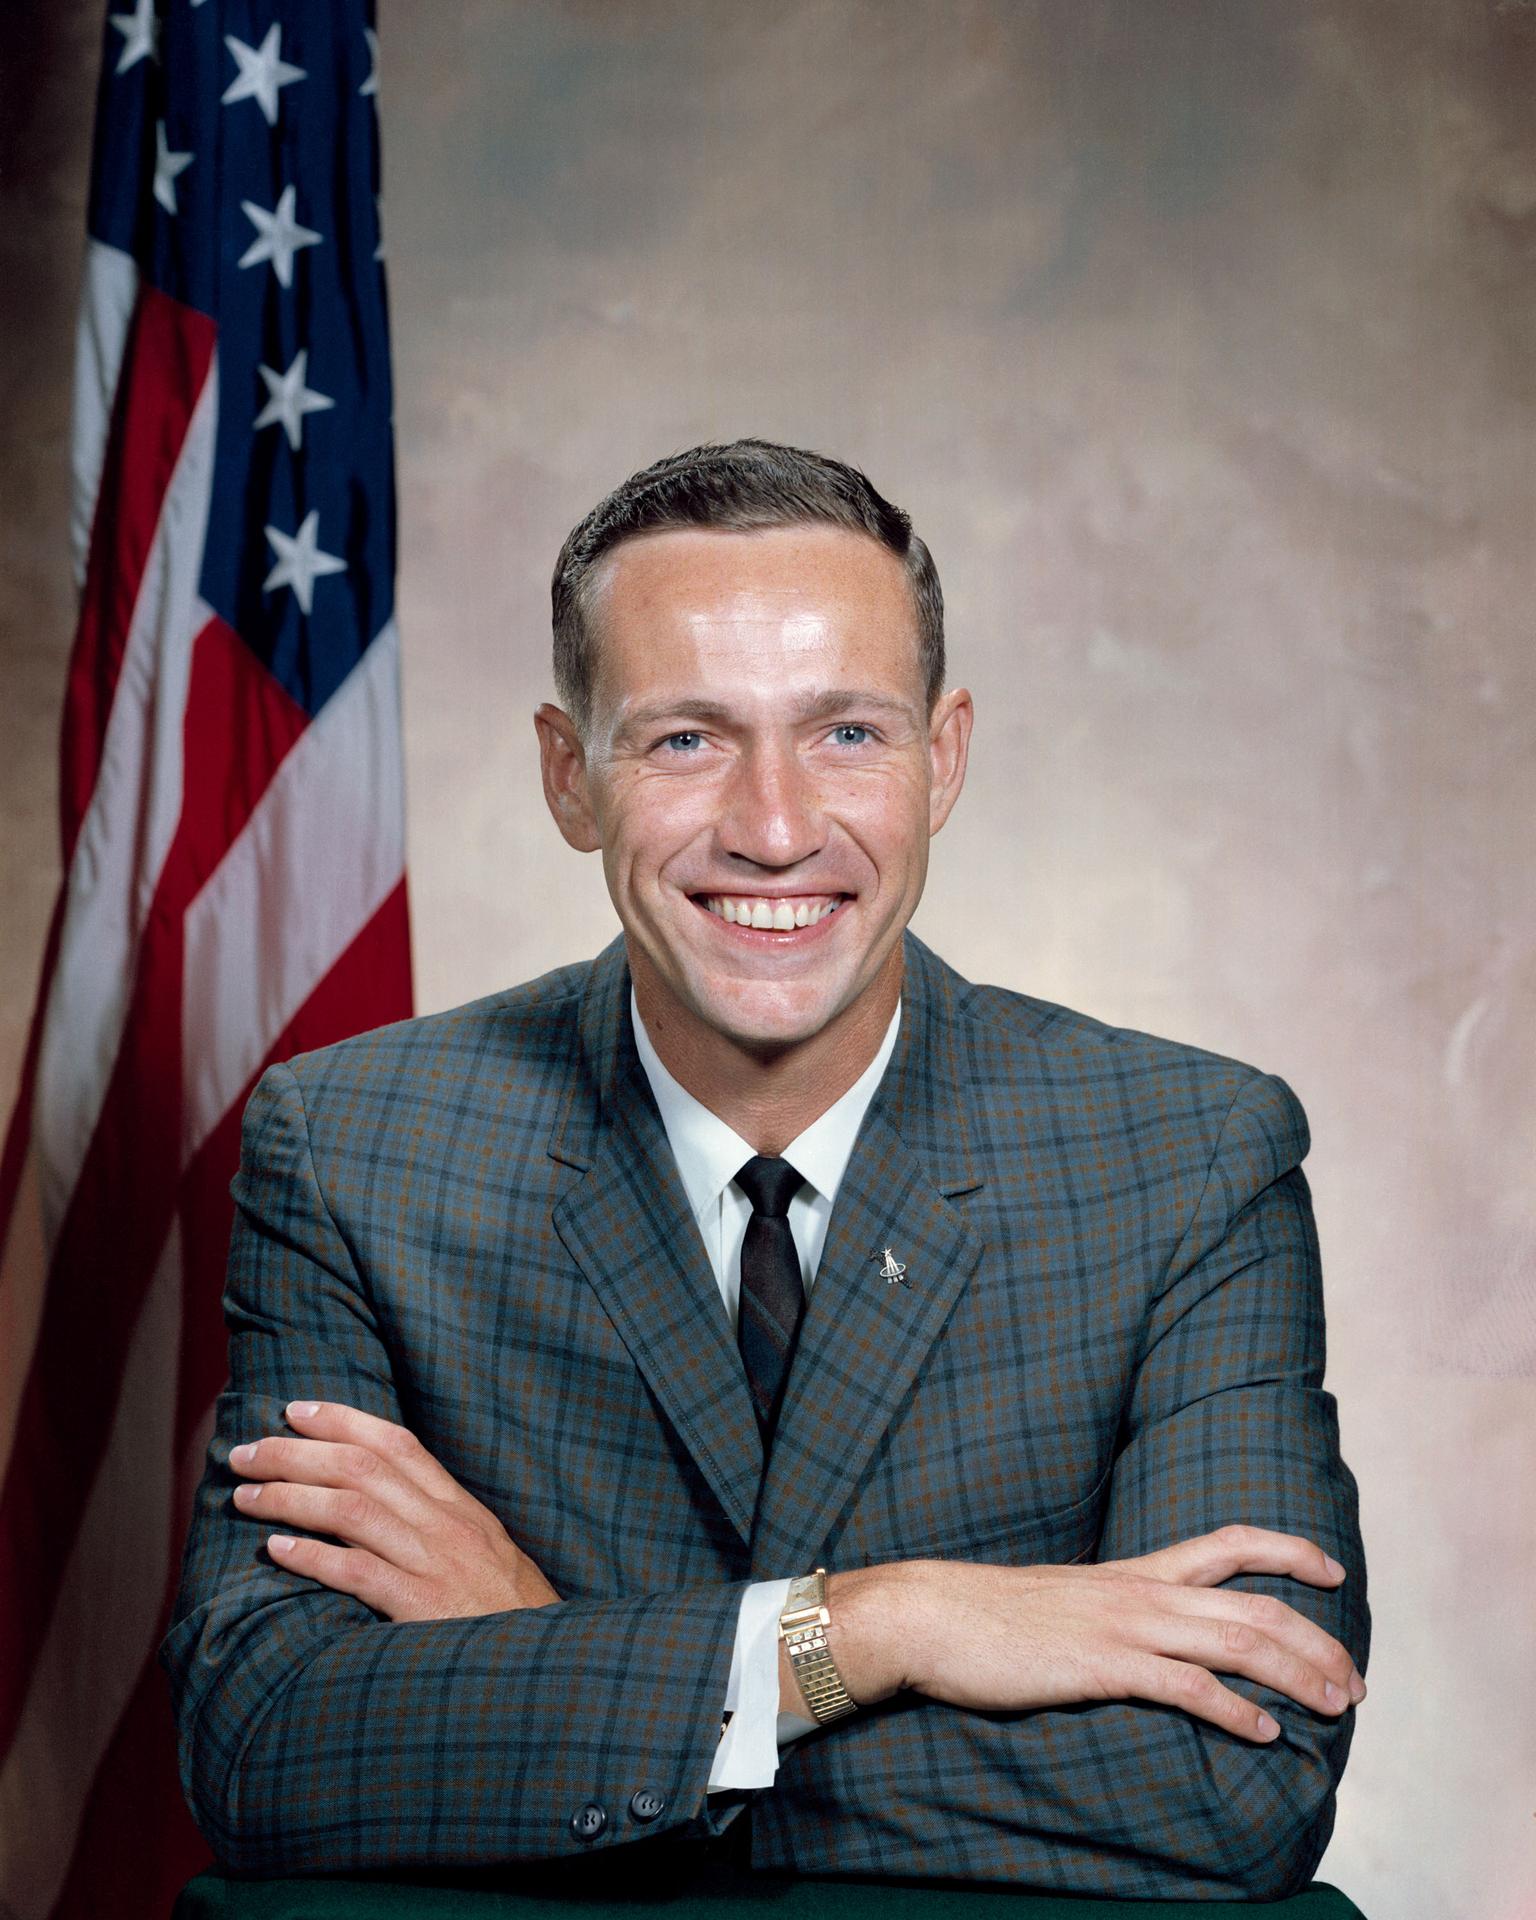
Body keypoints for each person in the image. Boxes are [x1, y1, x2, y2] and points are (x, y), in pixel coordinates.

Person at [162, 439, 1369, 1901]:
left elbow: (1236, 1779)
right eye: (686, 739)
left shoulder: (1188, 1161)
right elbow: (267, 1746)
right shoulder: (354, 1149)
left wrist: (586, 1669)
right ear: (569, 778)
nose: (777, 827)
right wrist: (877, 1628)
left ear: (947, 757)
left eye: (848, 733)